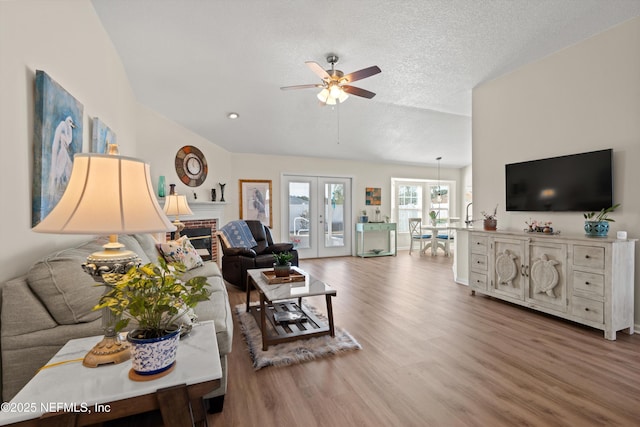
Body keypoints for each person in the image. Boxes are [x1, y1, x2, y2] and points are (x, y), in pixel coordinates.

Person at [47, 116, 76, 205]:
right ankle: (54, 195)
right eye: (70, 122)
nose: (71, 124)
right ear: (68, 122)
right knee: (59, 173)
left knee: (68, 171)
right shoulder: (64, 132)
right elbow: (66, 142)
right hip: (62, 154)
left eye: (71, 122)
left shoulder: (66, 132)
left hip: (63, 153)